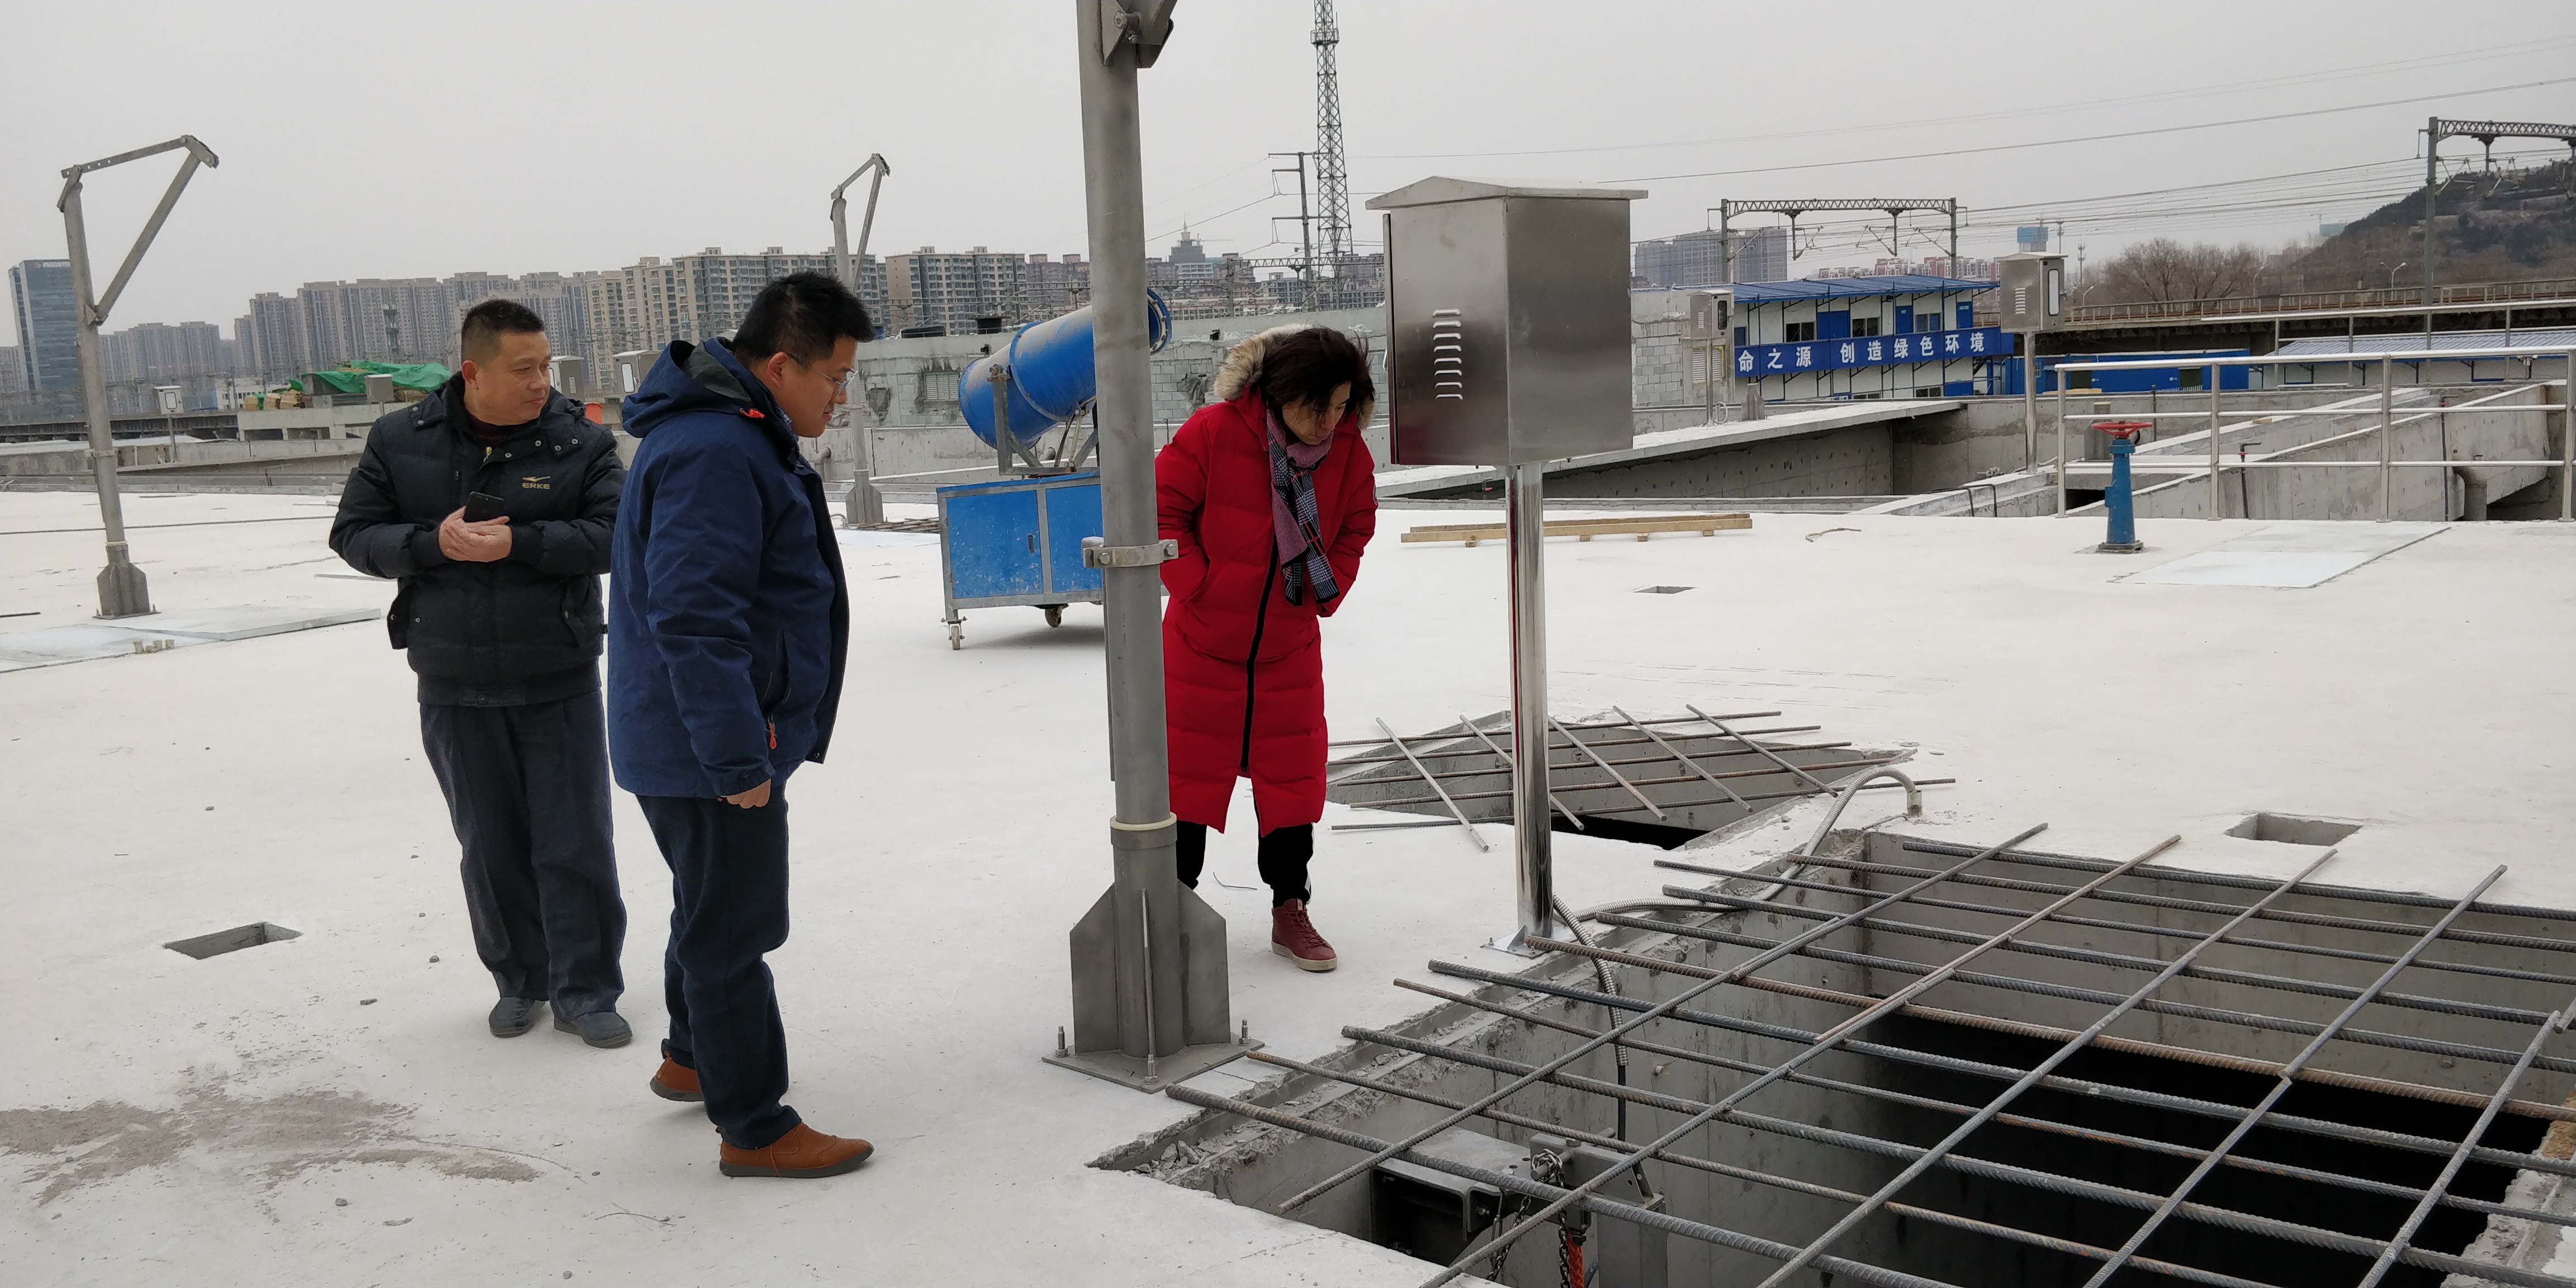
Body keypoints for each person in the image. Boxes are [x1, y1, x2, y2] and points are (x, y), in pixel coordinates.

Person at [607, 272, 873, 1180]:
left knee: (707, 899)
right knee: (733, 929)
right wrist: (735, 758)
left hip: (699, 734)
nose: (841, 397)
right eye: (834, 378)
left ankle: (692, 1054)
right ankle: (755, 1124)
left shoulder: (732, 432)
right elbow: (695, 618)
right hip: (712, 744)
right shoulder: (718, 450)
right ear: (780, 365)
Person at [329, 299, 630, 1048]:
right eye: (523, 369)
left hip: (556, 674)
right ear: (473, 372)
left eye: (545, 366)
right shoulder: (401, 439)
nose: (541, 382)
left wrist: (519, 544)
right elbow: (354, 534)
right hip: (453, 679)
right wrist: (431, 543)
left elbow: (619, 536)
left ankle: (587, 990)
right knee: (489, 846)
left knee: (574, 844)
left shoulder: (580, 442)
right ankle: (519, 981)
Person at [1157, 325, 1378, 972]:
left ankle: (1290, 908)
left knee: (1291, 787)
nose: (1330, 422)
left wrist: (1324, 589)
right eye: (1318, 407)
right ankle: (1172, 910)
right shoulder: (1213, 432)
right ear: (1280, 394)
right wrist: (1199, 585)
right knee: (1185, 786)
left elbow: (1357, 525)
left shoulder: (1348, 452)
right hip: (1200, 646)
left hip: (1288, 647)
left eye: (1342, 407)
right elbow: (1159, 509)